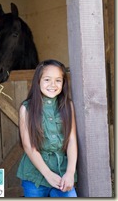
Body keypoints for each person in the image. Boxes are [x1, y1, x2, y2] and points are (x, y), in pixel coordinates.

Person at [17, 59, 78, 197]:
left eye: (58, 80)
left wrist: (70, 172)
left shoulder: (68, 106)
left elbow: (72, 140)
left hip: (62, 172)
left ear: (64, 83)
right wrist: (48, 174)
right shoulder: (26, 108)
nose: (53, 84)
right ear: (38, 81)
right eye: (47, 80)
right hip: (35, 173)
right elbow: (28, 146)